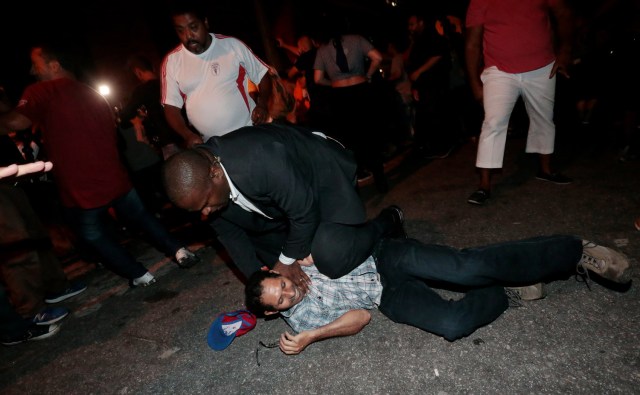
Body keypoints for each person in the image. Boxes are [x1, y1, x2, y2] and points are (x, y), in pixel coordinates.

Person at [0, 42, 199, 288]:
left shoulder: (41, 91)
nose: (32, 71)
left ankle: (140, 274)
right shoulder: (92, 92)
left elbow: (15, 122)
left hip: (79, 187)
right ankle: (179, 250)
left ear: (54, 65)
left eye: (36, 64)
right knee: (142, 217)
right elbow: (113, 132)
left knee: (92, 234)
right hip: (115, 176)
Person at [245, 231, 631, 355]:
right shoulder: (301, 320)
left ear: (272, 272)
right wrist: (313, 335)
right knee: (451, 323)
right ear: (270, 314)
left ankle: (575, 250)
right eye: (279, 300)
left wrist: (302, 258)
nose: (288, 292)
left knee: (466, 268)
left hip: (385, 256)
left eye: (280, 285)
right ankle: (502, 293)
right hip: (385, 298)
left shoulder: (291, 259)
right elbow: (360, 318)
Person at [161, 123, 405, 289]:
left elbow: (304, 211)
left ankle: (388, 219)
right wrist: (260, 281)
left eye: (205, 204)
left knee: (331, 255)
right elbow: (233, 238)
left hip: (322, 179)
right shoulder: (205, 185)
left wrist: (287, 260)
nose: (205, 213)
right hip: (279, 208)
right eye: (198, 211)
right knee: (288, 272)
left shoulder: (258, 158)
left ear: (215, 173)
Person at [465, 0, 574, 205]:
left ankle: (545, 169)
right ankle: (484, 185)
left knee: (543, 117)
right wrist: (474, 84)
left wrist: (565, 51)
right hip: (499, 70)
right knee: (493, 122)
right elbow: (472, 43)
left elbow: (564, 13)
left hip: (542, 66)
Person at [161, 1, 274, 147]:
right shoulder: (172, 61)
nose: (188, 36)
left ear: (205, 22)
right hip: (213, 145)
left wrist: (263, 103)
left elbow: (263, 75)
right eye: (180, 30)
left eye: (193, 27)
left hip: (250, 131)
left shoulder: (231, 46)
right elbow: (171, 108)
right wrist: (187, 134)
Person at [313, 17, 389, 192]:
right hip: (361, 91)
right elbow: (377, 57)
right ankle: (380, 179)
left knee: (347, 140)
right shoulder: (357, 39)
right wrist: (368, 74)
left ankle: (354, 185)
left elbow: (317, 79)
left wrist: (332, 83)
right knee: (369, 133)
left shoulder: (322, 49)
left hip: (340, 97)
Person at [0, 161, 70, 346]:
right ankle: (19, 323)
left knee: (29, 237)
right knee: (14, 246)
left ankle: (52, 290)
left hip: (9, 178)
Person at [405, 12, 455, 160]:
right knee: (426, 115)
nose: (410, 28)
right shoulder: (417, 40)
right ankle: (430, 146)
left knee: (436, 114)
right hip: (423, 85)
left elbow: (439, 54)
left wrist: (419, 72)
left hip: (434, 82)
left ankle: (443, 146)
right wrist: (415, 85)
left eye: (412, 24)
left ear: (421, 23)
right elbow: (408, 60)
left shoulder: (431, 36)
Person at [120, 53, 182, 160]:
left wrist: (138, 117)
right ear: (152, 67)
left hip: (167, 140)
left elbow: (125, 115)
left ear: (137, 72)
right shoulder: (169, 83)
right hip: (185, 134)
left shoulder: (143, 90)